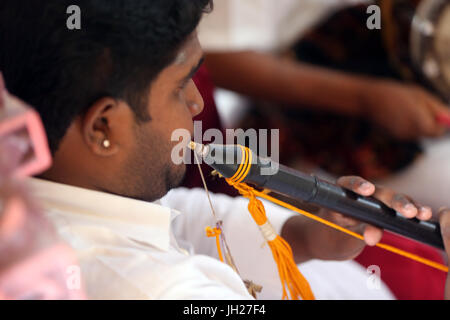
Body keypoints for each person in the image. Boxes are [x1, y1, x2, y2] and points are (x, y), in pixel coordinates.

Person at [0, 0, 448, 300]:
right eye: (181, 86)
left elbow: (186, 217)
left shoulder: (62, 191)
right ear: (104, 127)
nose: (198, 102)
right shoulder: (167, 290)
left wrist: (304, 234)